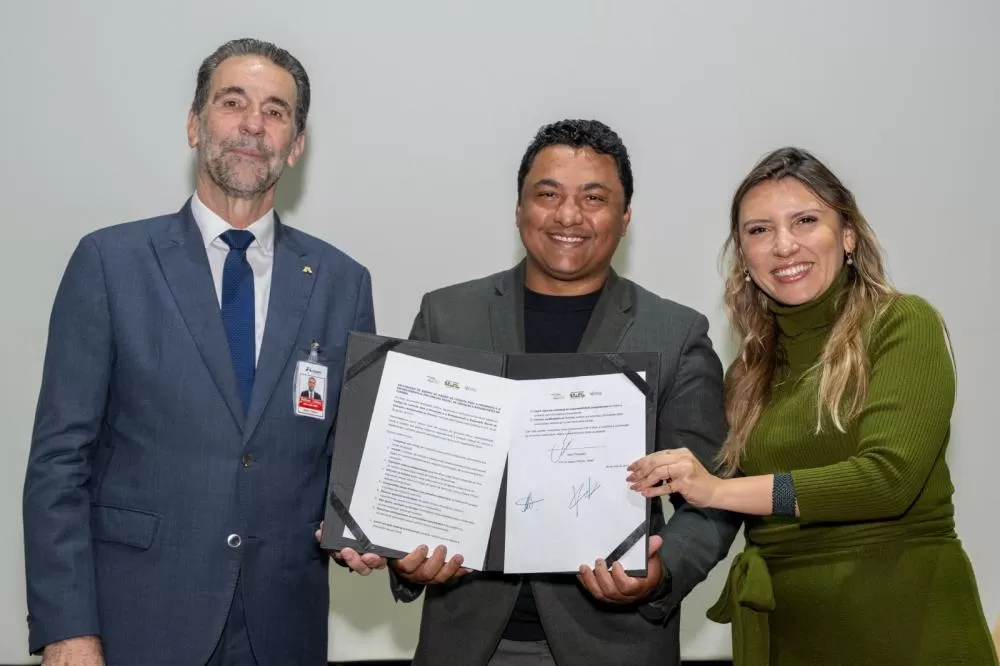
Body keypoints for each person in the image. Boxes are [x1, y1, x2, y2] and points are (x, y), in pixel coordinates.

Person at [22, 38, 383, 666]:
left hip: (283, 629)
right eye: (232, 102)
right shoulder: (110, 264)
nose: (252, 124)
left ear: (296, 144)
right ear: (194, 124)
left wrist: (375, 528)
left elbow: (345, 458)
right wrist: (66, 629)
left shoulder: (341, 282)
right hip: (136, 623)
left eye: (275, 112)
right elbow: (59, 465)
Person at [388, 119, 741, 665]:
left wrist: (662, 568)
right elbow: (411, 473)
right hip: (467, 642)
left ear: (625, 218)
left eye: (593, 198)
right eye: (547, 194)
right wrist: (403, 554)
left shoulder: (674, 334)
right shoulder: (447, 316)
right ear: (519, 208)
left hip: (616, 645)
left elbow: (713, 496)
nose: (568, 215)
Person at [627, 147, 998, 665]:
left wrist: (717, 489)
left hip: (905, 628)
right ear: (743, 254)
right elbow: (715, 505)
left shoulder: (901, 323)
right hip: (786, 635)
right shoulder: (747, 373)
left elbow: (887, 480)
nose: (783, 245)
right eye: (759, 230)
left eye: (805, 220)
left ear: (847, 235)